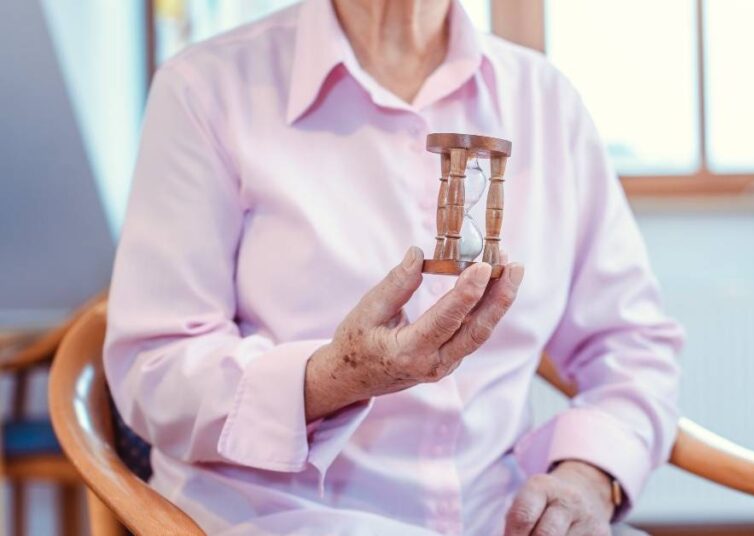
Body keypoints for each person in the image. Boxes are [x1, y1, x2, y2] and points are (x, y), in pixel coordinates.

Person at [104, 0, 683, 534]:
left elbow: (632, 345)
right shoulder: (205, 89)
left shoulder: (546, 100)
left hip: (496, 516)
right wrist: (336, 375)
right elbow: (153, 369)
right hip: (287, 516)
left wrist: (588, 475)